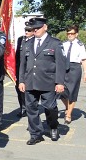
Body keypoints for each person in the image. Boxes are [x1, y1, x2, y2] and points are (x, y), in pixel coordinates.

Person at [18, 17, 65, 145]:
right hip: (30, 81)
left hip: (47, 81)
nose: (35, 30)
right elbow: (22, 64)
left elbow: (61, 64)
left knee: (50, 107)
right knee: (31, 108)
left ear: (45, 27)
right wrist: (21, 80)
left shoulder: (55, 43)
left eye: (38, 28)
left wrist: (60, 82)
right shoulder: (27, 43)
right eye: (34, 28)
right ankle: (36, 134)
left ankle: (53, 126)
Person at [60, 24, 86, 124]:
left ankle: (68, 115)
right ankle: (68, 107)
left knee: (72, 92)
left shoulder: (80, 45)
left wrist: (85, 72)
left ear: (76, 34)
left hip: (74, 69)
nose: (69, 35)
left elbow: (84, 59)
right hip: (63, 68)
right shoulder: (63, 44)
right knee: (60, 91)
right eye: (68, 33)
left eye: (72, 33)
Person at [15, 22, 34, 118]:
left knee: (29, 90)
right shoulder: (21, 39)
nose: (26, 32)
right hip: (20, 68)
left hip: (30, 69)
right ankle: (22, 107)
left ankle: (29, 108)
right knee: (19, 89)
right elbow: (17, 54)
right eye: (25, 30)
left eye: (29, 30)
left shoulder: (35, 40)